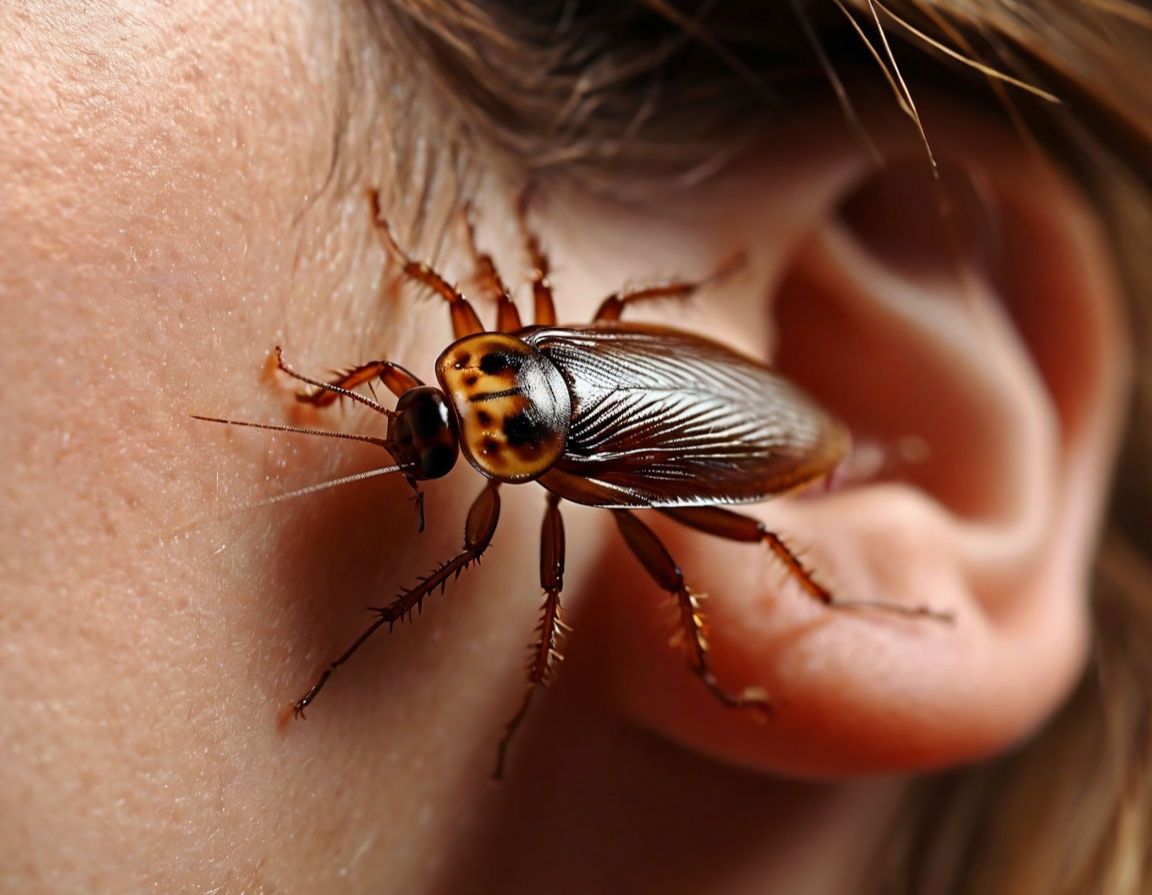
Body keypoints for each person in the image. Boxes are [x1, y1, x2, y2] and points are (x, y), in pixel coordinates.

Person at [2, 1, 1148, 892]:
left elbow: (499, 555)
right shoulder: (502, 360)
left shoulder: (543, 462)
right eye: (427, 424)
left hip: (695, 430)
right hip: (603, 380)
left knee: (707, 541)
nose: (410, 420)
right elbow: (470, 303)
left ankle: (821, 603)